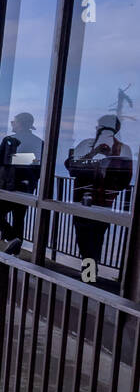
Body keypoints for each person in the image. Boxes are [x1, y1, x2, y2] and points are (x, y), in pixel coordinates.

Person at [65, 114, 133, 273]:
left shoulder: (85, 145)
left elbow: (71, 168)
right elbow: (124, 180)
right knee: (96, 239)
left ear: (100, 127)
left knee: (84, 239)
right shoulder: (125, 149)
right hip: (105, 203)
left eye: (98, 126)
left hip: (81, 201)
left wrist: (92, 155)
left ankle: (88, 274)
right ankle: (90, 272)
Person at [0, 112, 43, 254]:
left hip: (8, 185)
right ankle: (15, 252)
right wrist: (32, 180)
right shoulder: (39, 142)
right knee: (19, 216)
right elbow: (39, 165)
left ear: (20, 124)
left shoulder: (9, 140)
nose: (12, 124)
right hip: (27, 186)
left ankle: (11, 239)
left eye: (13, 122)